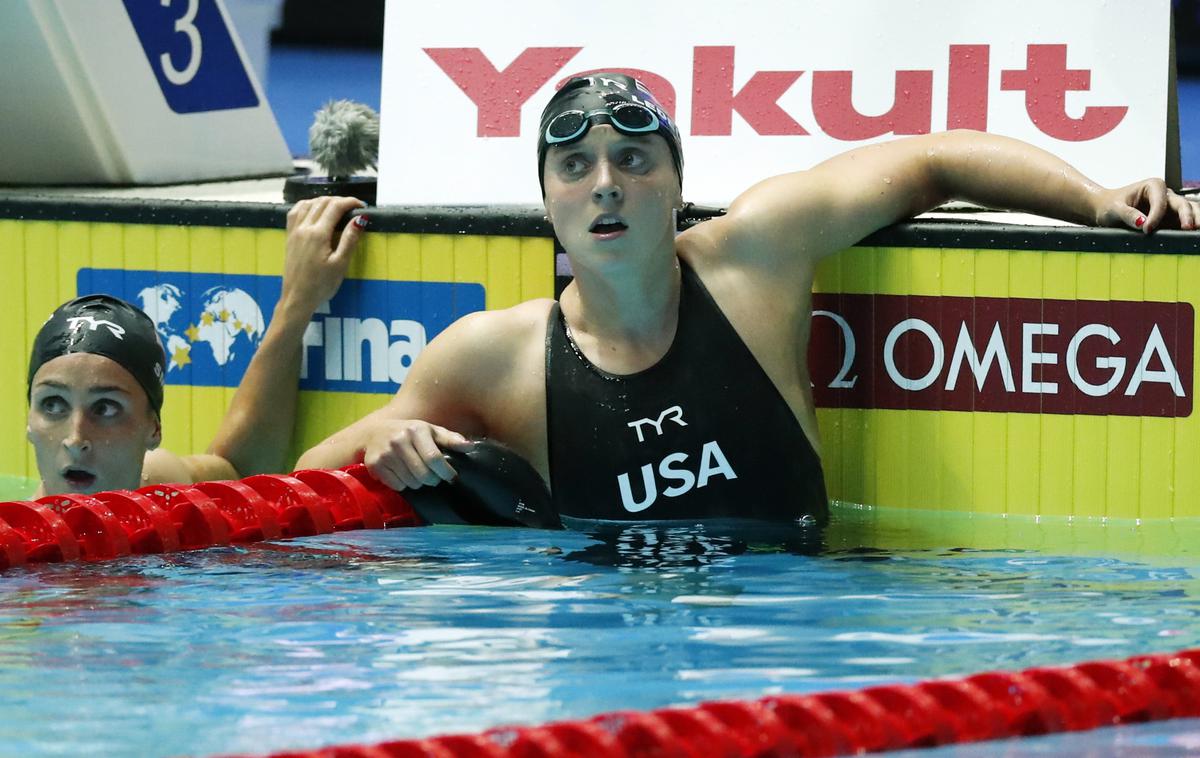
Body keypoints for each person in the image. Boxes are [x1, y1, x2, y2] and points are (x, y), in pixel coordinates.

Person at [295, 73, 1199, 525]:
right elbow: (309, 478)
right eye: (575, 167)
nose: (605, 185)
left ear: (677, 188)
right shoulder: (494, 355)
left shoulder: (751, 260)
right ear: (548, 203)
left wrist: (1093, 199)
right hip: (599, 665)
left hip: (799, 640)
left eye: (634, 161)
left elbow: (933, 159)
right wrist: (377, 434)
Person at [27, 196, 368, 497]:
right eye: (53, 404)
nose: (75, 438)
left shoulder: (155, 484)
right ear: (29, 423)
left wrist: (298, 300)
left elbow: (238, 468)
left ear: (154, 429)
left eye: (105, 408)